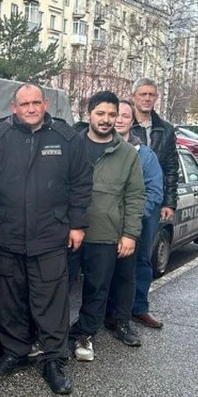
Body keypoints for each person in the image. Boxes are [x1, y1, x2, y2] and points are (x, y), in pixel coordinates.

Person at [0, 83, 93, 395]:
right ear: (13, 108)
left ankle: (53, 358)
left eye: (36, 103)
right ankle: (15, 351)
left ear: (45, 104)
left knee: (51, 301)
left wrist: (77, 225)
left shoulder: (66, 139)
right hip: (6, 234)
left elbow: (82, 183)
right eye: (24, 104)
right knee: (9, 298)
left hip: (50, 234)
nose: (30, 108)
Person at [68, 91, 145, 362]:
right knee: (57, 287)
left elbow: (136, 196)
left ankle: (84, 335)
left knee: (96, 289)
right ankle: (50, 336)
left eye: (112, 114)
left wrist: (129, 234)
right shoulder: (70, 145)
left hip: (105, 235)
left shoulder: (126, 154)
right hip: (67, 233)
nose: (106, 119)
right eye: (100, 113)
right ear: (89, 113)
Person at [106, 99, 164, 337]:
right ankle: (104, 314)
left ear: (133, 121)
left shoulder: (145, 155)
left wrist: (132, 218)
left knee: (138, 265)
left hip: (135, 222)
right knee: (102, 269)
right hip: (104, 222)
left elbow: (153, 190)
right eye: (115, 114)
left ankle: (137, 309)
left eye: (125, 115)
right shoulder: (96, 146)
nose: (119, 119)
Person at [130, 77, 179, 328]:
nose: (147, 98)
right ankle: (113, 309)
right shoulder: (125, 123)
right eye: (142, 94)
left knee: (143, 257)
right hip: (125, 200)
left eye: (151, 94)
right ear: (134, 96)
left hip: (152, 199)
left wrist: (169, 201)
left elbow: (171, 167)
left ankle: (139, 307)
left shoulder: (165, 129)